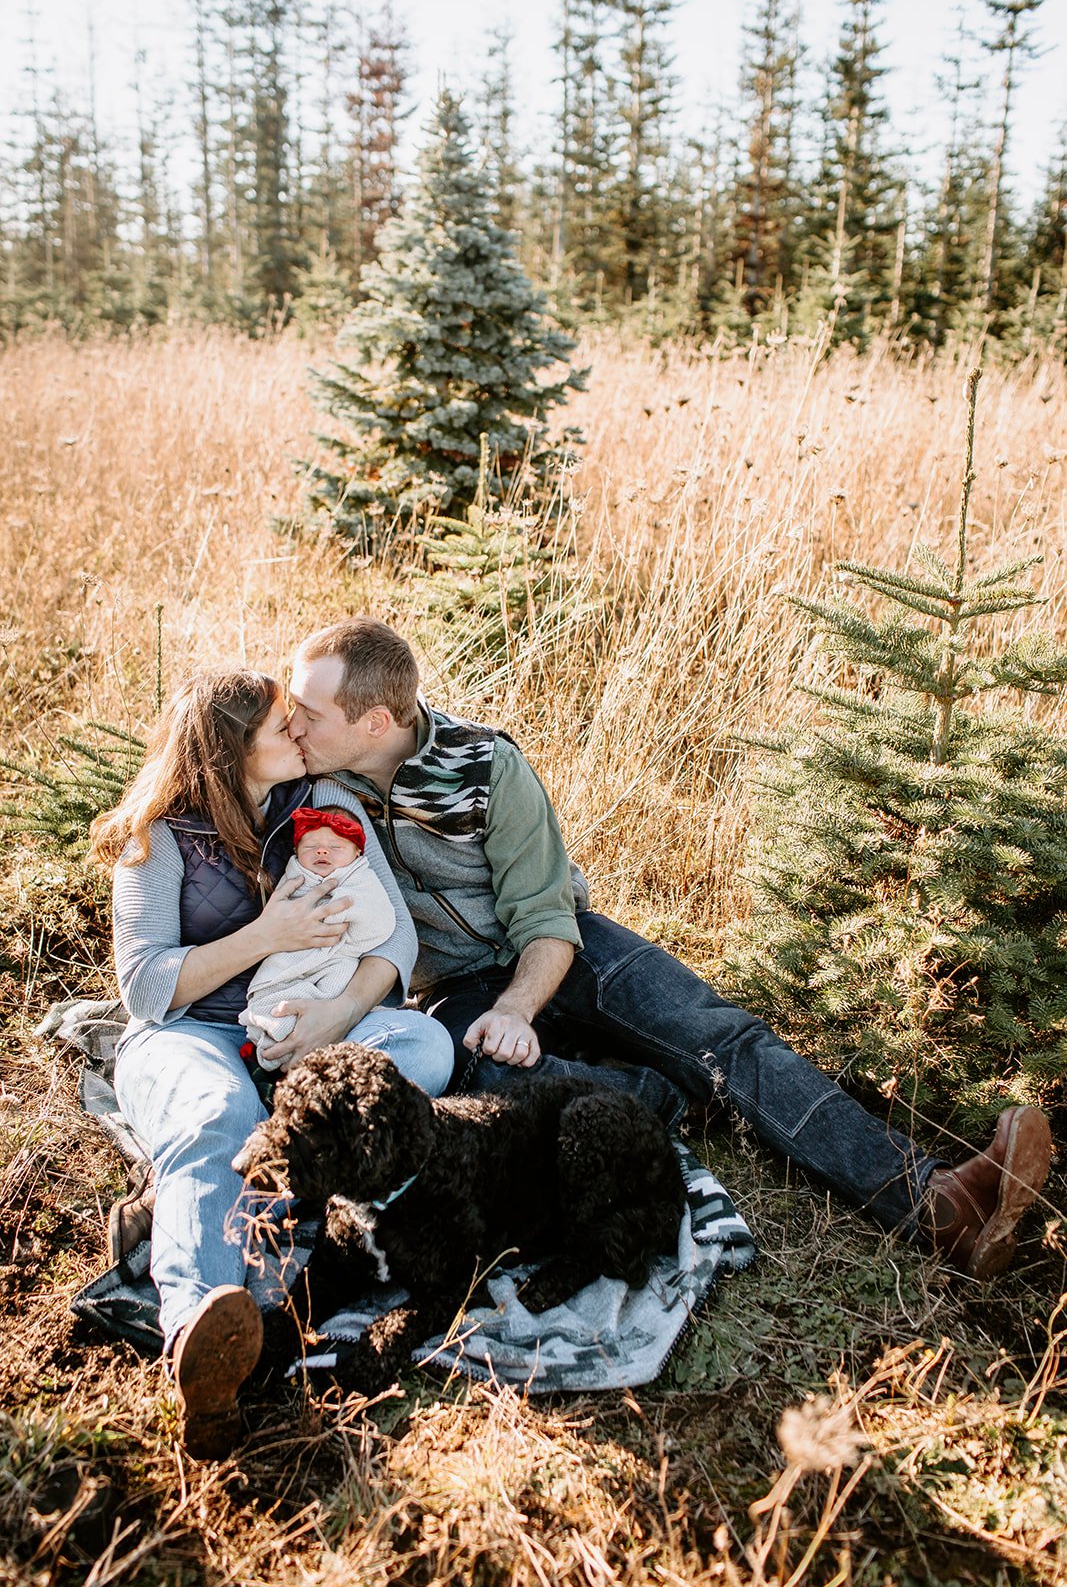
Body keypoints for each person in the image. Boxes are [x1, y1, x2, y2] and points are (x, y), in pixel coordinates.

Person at [286, 616, 1053, 1287]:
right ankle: (667, 1097)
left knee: (719, 1036)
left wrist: (522, 1006)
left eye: (309, 712)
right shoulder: (317, 783)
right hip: (454, 982)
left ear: (377, 722)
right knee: (486, 1078)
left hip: (563, 947)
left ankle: (936, 1203)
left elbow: (547, 916)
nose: (293, 724)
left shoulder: (486, 766)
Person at [89, 669, 454, 1459]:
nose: (300, 735)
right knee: (220, 1114)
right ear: (228, 753)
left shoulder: (326, 806)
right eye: (279, 729)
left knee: (424, 1048)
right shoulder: (157, 837)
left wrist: (337, 1016)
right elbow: (147, 988)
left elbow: (394, 939)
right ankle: (201, 1332)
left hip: (310, 1030)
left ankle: (200, 1207)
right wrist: (265, 937)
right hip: (192, 1034)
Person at [239, 805, 396, 1064]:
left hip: (337, 957)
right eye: (311, 846)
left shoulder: (361, 876)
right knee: (276, 997)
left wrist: (331, 915)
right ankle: (267, 1042)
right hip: (291, 955)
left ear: (358, 853)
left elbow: (380, 917)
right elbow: (281, 909)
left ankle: (287, 1050)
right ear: (296, 851)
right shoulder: (295, 874)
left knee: (330, 989)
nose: (322, 851)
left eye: (336, 847)